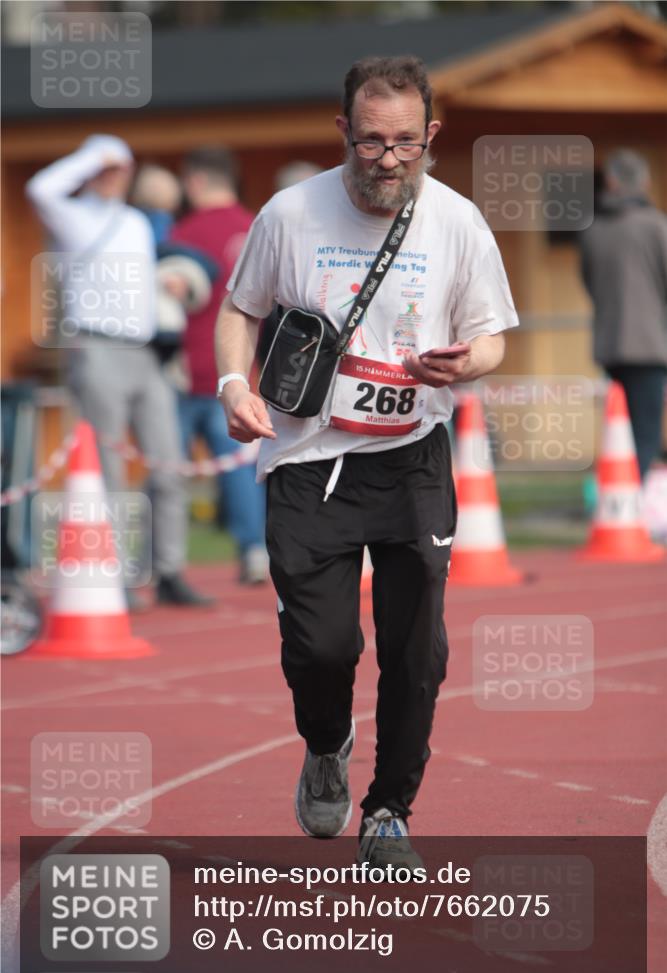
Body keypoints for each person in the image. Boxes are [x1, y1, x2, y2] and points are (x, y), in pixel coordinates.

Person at [215, 56, 518, 869]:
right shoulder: (290, 213)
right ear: (343, 130)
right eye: (372, 141)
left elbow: (491, 334)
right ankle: (326, 742)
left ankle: (388, 809)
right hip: (308, 457)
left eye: (405, 143)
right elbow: (240, 308)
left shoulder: (456, 222)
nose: (388, 159)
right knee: (322, 648)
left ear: (430, 134)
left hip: (412, 456)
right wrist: (235, 385)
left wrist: (467, 363)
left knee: (417, 650)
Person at [26, 135, 213, 607]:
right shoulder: (73, 215)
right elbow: (40, 189)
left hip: (146, 353)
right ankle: (113, 575)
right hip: (97, 347)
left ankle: (168, 569)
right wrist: (94, 156)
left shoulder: (134, 221)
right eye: (106, 170)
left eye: (120, 170)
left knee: (168, 463)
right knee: (107, 470)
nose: (113, 177)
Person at [171, 147, 269, 584]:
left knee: (167, 473)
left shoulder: (184, 233)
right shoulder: (256, 227)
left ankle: (162, 565)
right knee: (240, 471)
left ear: (195, 181)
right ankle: (254, 551)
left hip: (184, 370)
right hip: (238, 373)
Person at [579, 149, 667, 480]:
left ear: (611, 182)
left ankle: (616, 496)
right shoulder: (656, 226)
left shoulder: (593, 231)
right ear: (644, 182)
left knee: (619, 430)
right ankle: (632, 502)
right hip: (650, 346)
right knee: (645, 435)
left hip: (609, 347)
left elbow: (589, 282)